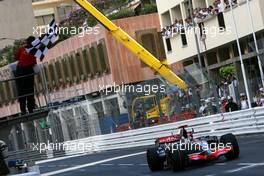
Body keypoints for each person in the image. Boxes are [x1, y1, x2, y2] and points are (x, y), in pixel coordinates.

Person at [15, 36, 37, 115]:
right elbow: (34, 62)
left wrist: (21, 47)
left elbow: (16, 57)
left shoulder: (22, 49)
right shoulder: (34, 50)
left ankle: (23, 110)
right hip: (28, 71)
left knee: (21, 91)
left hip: (20, 71)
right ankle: (30, 109)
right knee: (30, 90)